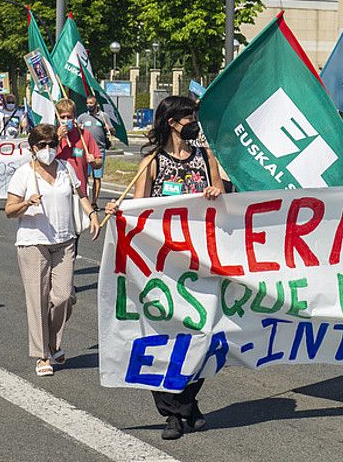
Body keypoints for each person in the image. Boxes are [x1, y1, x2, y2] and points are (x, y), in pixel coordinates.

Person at [106, 95, 223, 440]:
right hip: (160, 265)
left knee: (203, 334)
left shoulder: (205, 157)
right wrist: (120, 209)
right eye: (190, 118)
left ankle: (188, 401)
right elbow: (139, 205)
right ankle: (173, 413)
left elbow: (221, 193)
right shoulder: (152, 161)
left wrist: (218, 190)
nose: (195, 124)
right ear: (173, 122)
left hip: (199, 262)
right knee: (164, 336)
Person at [6, 123, 102, 378]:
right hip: (33, 242)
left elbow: (80, 193)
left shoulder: (65, 168)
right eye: (42, 146)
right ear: (32, 148)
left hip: (64, 240)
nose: (48, 150)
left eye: (52, 145)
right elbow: (8, 210)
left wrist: (91, 213)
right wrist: (27, 203)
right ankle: (43, 354)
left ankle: (52, 341)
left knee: (64, 297)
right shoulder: (24, 174)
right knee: (38, 300)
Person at [53, 98, 103, 203]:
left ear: (74, 117)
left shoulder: (84, 135)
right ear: (57, 118)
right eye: (62, 117)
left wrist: (94, 162)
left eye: (69, 117)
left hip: (79, 193)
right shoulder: (50, 135)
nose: (66, 120)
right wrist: (58, 138)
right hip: (57, 193)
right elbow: (44, 159)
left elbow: (99, 162)